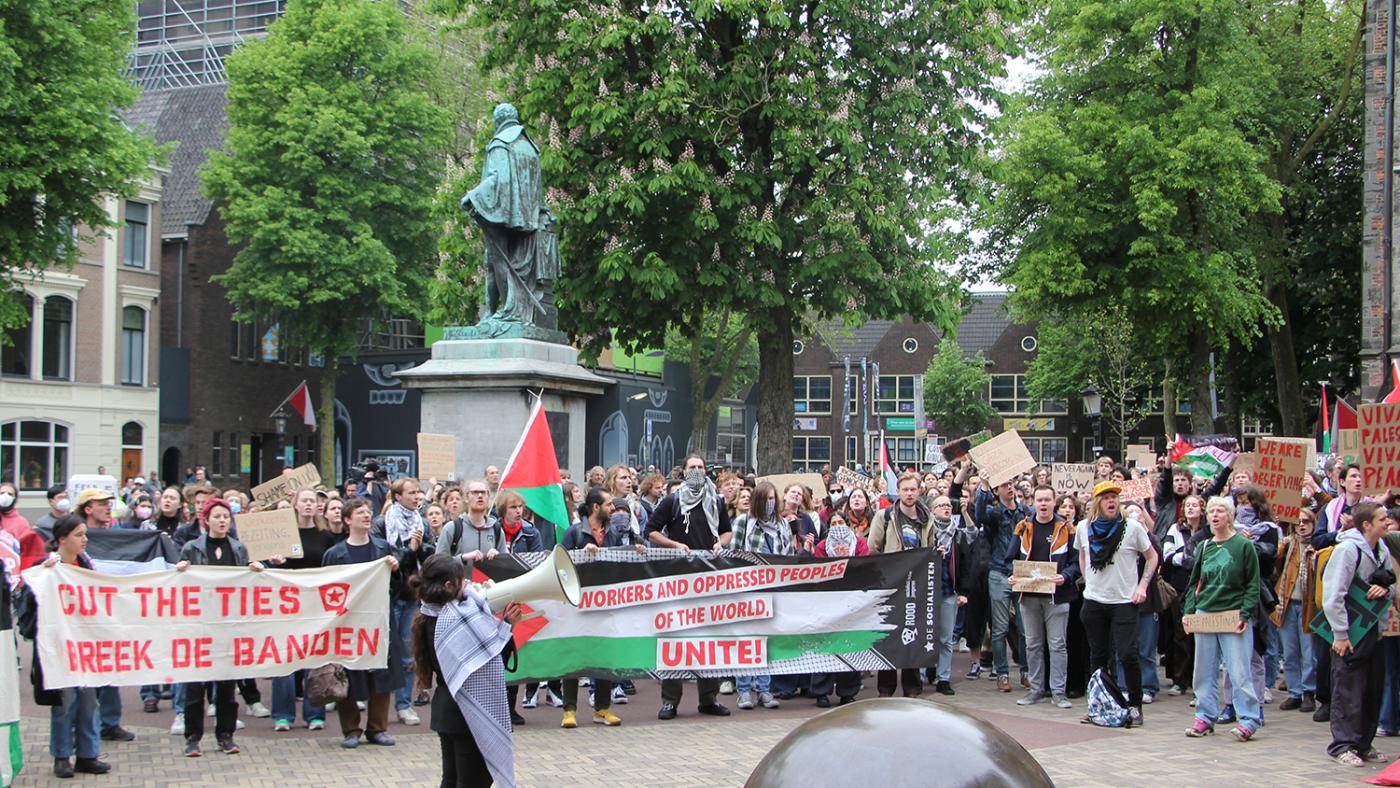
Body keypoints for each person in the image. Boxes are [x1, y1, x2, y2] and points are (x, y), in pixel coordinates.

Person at [173, 498, 279, 756]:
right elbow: (181, 586)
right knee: (196, 687)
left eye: (226, 517)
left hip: (229, 626)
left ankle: (225, 735)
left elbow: (246, 582)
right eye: (217, 517)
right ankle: (193, 737)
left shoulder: (238, 548)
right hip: (200, 626)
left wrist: (254, 570)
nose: (222, 521)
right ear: (206, 520)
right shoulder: (192, 548)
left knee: (226, 686)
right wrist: (180, 571)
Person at [412, 553, 524, 788]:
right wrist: (507, 627)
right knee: (473, 781)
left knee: (451, 779)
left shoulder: (429, 613)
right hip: (467, 710)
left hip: (447, 710)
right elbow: (486, 665)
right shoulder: (456, 619)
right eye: (462, 580)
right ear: (448, 585)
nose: (468, 585)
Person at [645, 454, 732, 719]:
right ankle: (670, 700)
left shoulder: (716, 501)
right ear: (683, 472)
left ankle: (709, 698)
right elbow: (650, 530)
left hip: (709, 578)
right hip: (679, 578)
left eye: (701, 467)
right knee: (676, 638)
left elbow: (726, 531)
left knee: (710, 639)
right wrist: (674, 545)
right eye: (692, 467)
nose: (696, 471)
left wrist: (721, 543)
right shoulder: (672, 501)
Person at [557, 489, 646, 727]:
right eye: (609, 505)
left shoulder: (614, 532)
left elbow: (620, 560)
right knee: (574, 656)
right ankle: (569, 710)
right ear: (595, 507)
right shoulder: (574, 532)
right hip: (578, 603)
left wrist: (634, 551)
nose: (613, 510)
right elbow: (560, 562)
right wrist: (579, 554)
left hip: (605, 602)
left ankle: (602, 709)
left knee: (604, 654)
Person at [1075, 481, 1158, 726]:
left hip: (1124, 600)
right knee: (1098, 656)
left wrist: (1142, 586)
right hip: (1094, 601)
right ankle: (1098, 705)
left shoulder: (1131, 527)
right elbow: (1082, 555)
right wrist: (1089, 580)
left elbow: (1152, 557)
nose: (1111, 501)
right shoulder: (1083, 527)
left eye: (1114, 497)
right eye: (1106, 497)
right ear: (1097, 502)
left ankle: (1134, 705)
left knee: (1127, 654)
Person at [323, 499, 403, 748]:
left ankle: (378, 728)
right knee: (348, 674)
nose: (367, 516)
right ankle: (351, 730)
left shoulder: (383, 549)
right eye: (360, 513)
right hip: (349, 624)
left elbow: (396, 589)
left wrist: (396, 570)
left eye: (368, 512)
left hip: (379, 622)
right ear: (347, 520)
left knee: (381, 671)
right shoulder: (335, 554)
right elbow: (326, 590)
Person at [1183, 497, 1262, 741]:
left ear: (1230, 516)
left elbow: (1252, 583)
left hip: (1232, 613)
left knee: (1238, 670)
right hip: (1205, 612)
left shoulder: (1243, 546)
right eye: (1212, 512)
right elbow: (1195, 582)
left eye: (1220, 511)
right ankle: (1205, 716)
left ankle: (1248, 718)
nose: (1215, 515)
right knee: (1203, 670)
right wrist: (1189, 611)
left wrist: (1246, 613)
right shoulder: (1204, 547)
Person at [1323, 501, 1395, 767]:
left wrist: (1385, 590)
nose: (1388, 522)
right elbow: (1333, 595)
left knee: (1371, 688)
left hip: (1373, 629)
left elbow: (1390, 586)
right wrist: (1340, 634)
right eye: (1382, 519)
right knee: (1348, 688)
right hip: (1351, 631)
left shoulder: (1381, 549)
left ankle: (1364, 743)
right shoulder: (1347, 550)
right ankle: (1343, 744)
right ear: (1367, 525)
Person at [269, 488, 341, 732]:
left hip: (316, 606)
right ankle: (282, 715)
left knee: (315, 659)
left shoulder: (325, 536)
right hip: (287, 605)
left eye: (313, 500)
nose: (309, 504)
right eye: (305, 501)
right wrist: (275, 562)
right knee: (285, 660)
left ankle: (315, 714)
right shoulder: (283, 535)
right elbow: (270, 568)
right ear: (295, 505)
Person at [730, 482, 799, 711]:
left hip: (774, 591)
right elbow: (733, 555)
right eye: (766, 499)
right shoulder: (743, 523)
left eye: (773, 498)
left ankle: (764, 689)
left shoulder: (782, 526)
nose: (771, 503)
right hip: (748, 590)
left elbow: (789, 556)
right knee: (746, 640)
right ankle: (743, 690)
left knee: (767, 641)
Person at [1009, 485, 1078, 709]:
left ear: (1054, 502)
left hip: (1057, 595)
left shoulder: (1067, 528)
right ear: (1034, 502)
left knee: (1057, 644)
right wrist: (1013, 576)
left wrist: (1065, 576)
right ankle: (1035, 689)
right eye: (1039, 500)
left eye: (1047, 500)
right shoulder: (1023, 526)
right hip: (1028, 594)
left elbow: (1077, 563)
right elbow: (1010, 557)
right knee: (1032, 644)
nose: (1043, 504)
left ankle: (1059, 692)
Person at [869, 472, 935, 697]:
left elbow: (931, 547)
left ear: (919, 491)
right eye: (905, 489)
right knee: (888, 636)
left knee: (913, 635)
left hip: (916, 584)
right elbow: (873, 547)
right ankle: (886, 687)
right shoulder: (884, 515)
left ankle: (912, 687)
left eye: (913, 489)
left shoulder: (928, 518)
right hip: (891, 584)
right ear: (899, 491)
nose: (909, 494)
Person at [975, 475, 1032, 693]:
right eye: (1004, 485)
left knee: (1026, 628)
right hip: (999, 571)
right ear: (996, 491)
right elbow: (979, 516)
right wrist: (983, 487)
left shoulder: (1027, 512)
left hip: (1023, 572)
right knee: (999, 628)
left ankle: (1027, 672)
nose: (1009, 488)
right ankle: (1003, 673)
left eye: (1011, 484)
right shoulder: (994, 512)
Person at [381, 478, 430, 727]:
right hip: (389, 595)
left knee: (409, 653)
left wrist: (420, 547)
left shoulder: (421, 522)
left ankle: (404, 704)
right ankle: (378, 707)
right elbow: (389, 558)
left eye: (419, 492)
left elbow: (430, 552)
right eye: (411, 493)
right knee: (386, 651)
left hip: (412, 595)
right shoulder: (383, 523)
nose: (416, 497)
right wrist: (411, 548)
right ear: (397, 496)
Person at [1273, 506, 1318, 713]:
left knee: (1309, 652)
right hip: (1287, 603)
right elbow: (1274, 563)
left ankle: (1309, 691)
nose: (1302, 525)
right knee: (1290, 651)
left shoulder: (1319, 545)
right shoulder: (1287, 544)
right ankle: (1294, 692)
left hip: (1310, 605)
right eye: (1298, 521)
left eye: (1306, 521)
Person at [1161, 494, 1206, 696]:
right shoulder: (1176, 529)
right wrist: (1190, 559)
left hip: (1203, 586)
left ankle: (1200, 680)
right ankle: (1180, 679)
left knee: (1201, 635)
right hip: (1180, 586)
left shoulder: (1208, 532)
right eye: (1187, 505)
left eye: (1194, 505)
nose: (1190, 508)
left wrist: (1187, 557)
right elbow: (1168, 555)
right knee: (1181, 633)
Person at [436, 480, 503, 574]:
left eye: (483, 492)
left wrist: (499, 557)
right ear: (466, 498)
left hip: (490, 587)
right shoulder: (452, 528)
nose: (480, 496)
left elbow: (507, 566)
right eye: (475, 492)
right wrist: (463, 558)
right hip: (459, 587)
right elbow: (438, 564)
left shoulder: (496, 529)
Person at [1, 481, 45, 570]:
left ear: (15, 499)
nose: (5, 496)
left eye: (10, 494)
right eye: (2, 493)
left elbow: (27, 548)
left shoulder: (21, 522)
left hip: (12, 567)